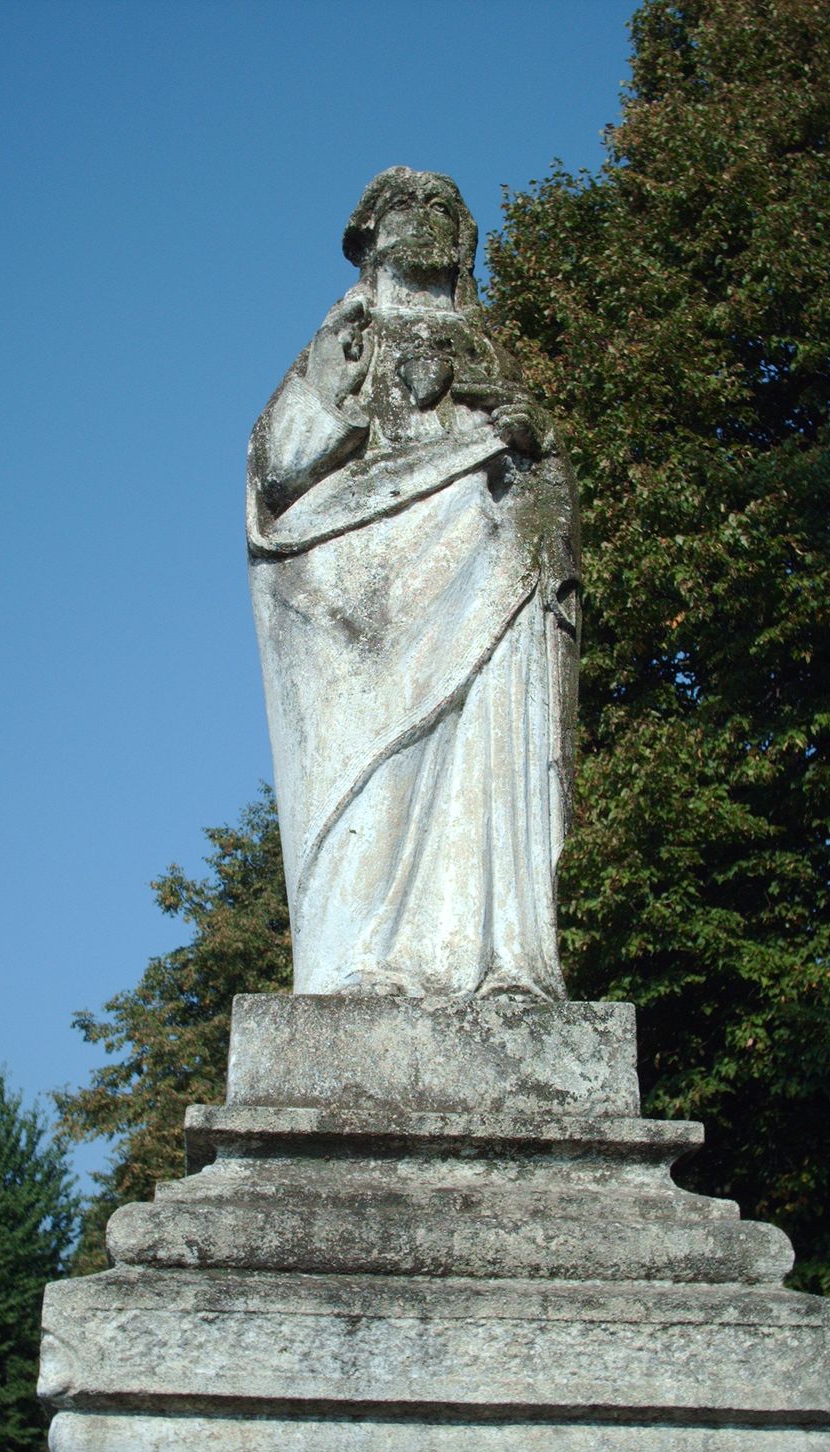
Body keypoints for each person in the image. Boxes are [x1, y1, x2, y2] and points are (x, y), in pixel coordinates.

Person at [246, 167, 579, 1001]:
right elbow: (276, 470)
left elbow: (540, 476)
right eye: (405, 205)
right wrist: (328, 381)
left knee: (483, 753)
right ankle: (366, 962)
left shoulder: (489, 348)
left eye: (444, 209)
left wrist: (537, 445)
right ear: (367, 234)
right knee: (373, 768)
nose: (426, 218)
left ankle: (497, 963)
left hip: (486, 573)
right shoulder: (346, 335)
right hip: (363, 594)